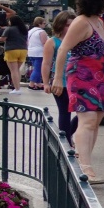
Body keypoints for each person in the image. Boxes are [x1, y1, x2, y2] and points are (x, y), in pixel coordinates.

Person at [50, 0, 104, 184]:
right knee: (87, 120)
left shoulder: (96, 21)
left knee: (95, 121)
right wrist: (57, 78)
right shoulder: (80, 22)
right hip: (83, 74)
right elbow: (63, 49)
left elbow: (98, 46)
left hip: (101, 74)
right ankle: (85, 168)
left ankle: (84, 162)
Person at [41, 11, 78, 145]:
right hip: (60, 82)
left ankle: (67, 135)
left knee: (85, 113)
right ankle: (66, 142)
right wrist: (45, 83)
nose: (71, 28)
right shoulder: (52, 42)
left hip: (79, 81)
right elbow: (46, 63)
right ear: (61, 25)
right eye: (68, 25)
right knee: (65, 112)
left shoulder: (79, 40)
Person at [0, 19, 27, 95]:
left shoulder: (9, 29)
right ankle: (18, 87)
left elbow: (3, 38)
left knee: (13, 70)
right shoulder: (24, 29)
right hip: (23, 50)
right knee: (17, 70)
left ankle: (17, 89)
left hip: (11, 50)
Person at [25, 16, 48, 88]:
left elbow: (27, 42)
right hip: (39, 52)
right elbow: (44, 43)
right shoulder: (41, 32)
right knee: (38, 69)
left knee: (36, 67)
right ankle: (31, 84)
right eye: (44, 23)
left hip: (31, 51)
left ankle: (38, 83)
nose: (45, 25)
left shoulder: (30, 31)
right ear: (39, 24)